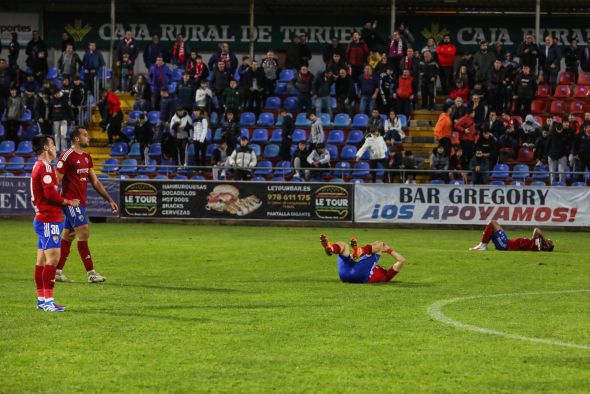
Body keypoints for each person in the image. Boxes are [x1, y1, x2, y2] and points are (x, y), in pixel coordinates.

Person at [54, 128, 117, 283]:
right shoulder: (67, 155)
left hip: (80, 203)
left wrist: (109, 199)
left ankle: (56, 271)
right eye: (85, 135)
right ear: (76, 138)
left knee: (68, 236)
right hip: (70, 202)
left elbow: (95, 181)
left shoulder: (87, 157)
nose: (88, 137)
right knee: (84, 232)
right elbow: (56, 180)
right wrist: (56, 202)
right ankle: (91, 273)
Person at [31, 135, 80, 311]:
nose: (55, 148)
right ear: (45, 148)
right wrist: (68, 202)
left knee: (42, 261)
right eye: (52, 145)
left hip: (44, 219)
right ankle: (48, 302)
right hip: (48, 219)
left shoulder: (40, 166)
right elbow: (50, 195)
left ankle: (42, 300)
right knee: (53, 260)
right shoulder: (44, 167)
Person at [319, 234, 406, 284]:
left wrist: (387, 249)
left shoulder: (387, 276)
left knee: (380, 244)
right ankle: (331, 248)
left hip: (353, 275)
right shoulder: (368, 264)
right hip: (352, 272)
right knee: (344, 245)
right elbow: (353, 258)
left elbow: (402, 260)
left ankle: (361, 250)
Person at [469, 220, 554, 252]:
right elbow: (537, 232)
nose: (548, 239)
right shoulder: (536, 243)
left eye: (549, 241)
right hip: (507, 241)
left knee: (492, 223)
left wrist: (543, 239)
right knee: (494, 224)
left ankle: (483, 246)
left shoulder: (537, 246)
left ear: (546, 245)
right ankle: (483, 245)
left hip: (506, 245)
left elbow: (536, 230)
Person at [49, 87, 72, 152]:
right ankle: (57, 149)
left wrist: (71, 118)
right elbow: (50, 110)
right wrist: (49, 118)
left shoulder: (64, 99)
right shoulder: (52, 100)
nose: (57, 95)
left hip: (63, 119)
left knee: (63, 135)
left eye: (57, 93)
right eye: (55, 94)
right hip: (55, 120)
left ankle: (64, 150)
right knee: (56, 135)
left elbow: (69, 109)